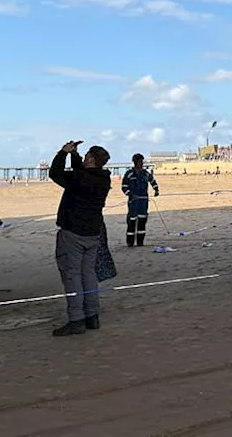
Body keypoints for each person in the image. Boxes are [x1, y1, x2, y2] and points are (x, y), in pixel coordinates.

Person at [49, 140, 112, 337]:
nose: (83, 159)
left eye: (86, 157)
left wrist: (63, 152)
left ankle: (76, 319)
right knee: (88, 275)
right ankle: (92, 316)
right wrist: (75, 155)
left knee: (72, 275)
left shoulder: (79, 177)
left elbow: (55, 173)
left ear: (91, 159)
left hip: (73, 233)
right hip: (92, 233)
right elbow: (81, 171)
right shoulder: (103, 179)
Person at [121, 153, 160, 247]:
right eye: (140, 162)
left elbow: (153, 181)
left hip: (144, 201)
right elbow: (124, 187)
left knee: (142, 221)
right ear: (135, 162)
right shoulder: (129, 174)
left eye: (142, 161)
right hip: (133, 202)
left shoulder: (146, 173)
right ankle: (130, 242)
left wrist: (156, 190)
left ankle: (140, 242)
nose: (141, 163)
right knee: (132, 221)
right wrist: (130, 195)